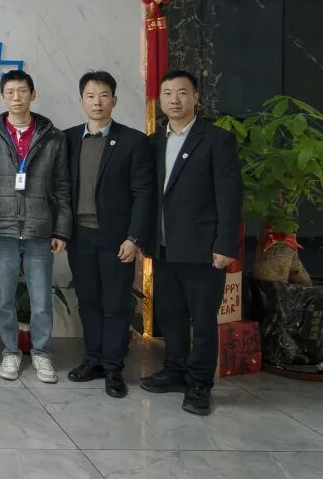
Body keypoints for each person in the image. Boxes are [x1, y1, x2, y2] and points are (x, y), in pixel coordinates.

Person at [141, 70, 241, 415]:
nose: (175, 99)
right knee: (171, 315)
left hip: (202, 248)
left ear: (196, 97)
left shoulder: (216, 140)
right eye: (168, 93)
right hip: (164, 246)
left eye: (182, 92)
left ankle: (199, 382)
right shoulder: (153, 142)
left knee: (202, 318)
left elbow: (229, 197)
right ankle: (175, 370)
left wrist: (225, 244)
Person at [64, 71, 155, 398]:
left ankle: (114, 368)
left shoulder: (132, 141)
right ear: (82, 101)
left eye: (104, 96)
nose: (97, 102)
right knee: (88, 301)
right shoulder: (69, 139)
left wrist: (134, 238)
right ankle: (93, 359)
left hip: (117, 240)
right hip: (80, 237)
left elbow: (143, 193)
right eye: (91, 96)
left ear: (114, 100)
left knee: (115, 305)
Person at [0, 69, 72, 384]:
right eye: (10, 92)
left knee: (41, 299)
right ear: (3, 97)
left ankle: (42, 353)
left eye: (22, 91)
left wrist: (61, 229)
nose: (16, 97)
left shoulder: (53, 137)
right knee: (4, 297)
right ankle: (10, 351)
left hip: (39, 230)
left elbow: (62, 187)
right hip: (2, 228)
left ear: (33, 94)